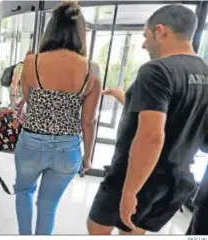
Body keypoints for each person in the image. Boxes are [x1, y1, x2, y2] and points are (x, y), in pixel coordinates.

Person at [87, 4, 208, 235]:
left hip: (135, 176)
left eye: (146, 35)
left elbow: (151, 135)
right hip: (174, 180)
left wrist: (130, 191)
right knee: (134, 232)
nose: (144, 44)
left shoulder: (157, 70)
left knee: (96, 230)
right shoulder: (204, 72)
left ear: (161, 31)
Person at [14, 2, 102, 235]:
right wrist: (88, 156)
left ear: (51, 28)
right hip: (68, 148)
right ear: (80, 32)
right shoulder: (92, 69)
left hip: (32, 142)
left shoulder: (32, 62)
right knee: (48, 205)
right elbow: (88, 121)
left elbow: (30, 101)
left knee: (23, 191)